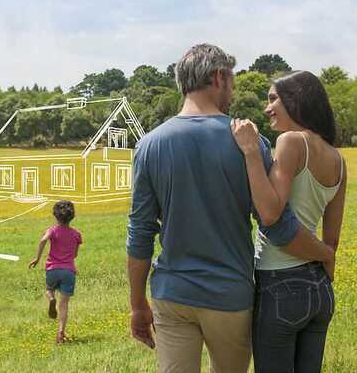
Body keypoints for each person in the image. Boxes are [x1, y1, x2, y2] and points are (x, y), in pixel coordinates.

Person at [126, 44, 335, 373]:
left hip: (172, 294)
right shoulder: (250, 142)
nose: (233, 91)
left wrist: (138, 304)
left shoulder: (149, 145)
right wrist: (323, 252)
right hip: (230, 298)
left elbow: (140, 233)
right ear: (218, 77)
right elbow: (275, 223)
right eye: (233, 82)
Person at [231, 70, 347, 373]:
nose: (267, 108)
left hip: (279, 284)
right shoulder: (337, 159)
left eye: (273, 99)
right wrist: (322, 269)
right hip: (320, 289)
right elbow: (331, 241)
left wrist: (251, 151)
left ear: (295, 101)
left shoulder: (291, 141)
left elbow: (270, 213)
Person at [29, 200, 82, 344]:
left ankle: (51, 298)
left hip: (52, 269)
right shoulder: (76, 234)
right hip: (69, 272)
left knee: (49, 289)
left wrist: (37, 258)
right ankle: (60, 333)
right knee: (64, 304)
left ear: (55, 216)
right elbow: (74, 255)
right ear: (72, 216)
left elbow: (43, 240)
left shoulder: (52, 230)